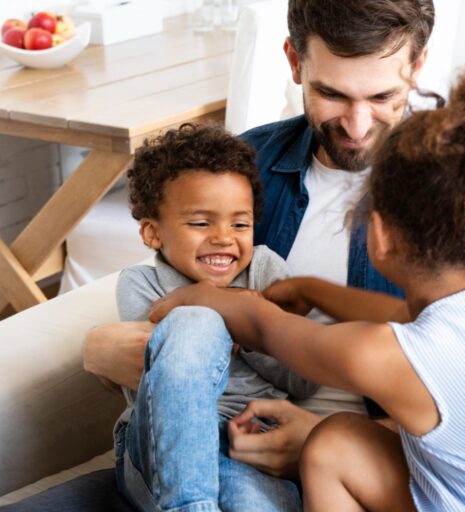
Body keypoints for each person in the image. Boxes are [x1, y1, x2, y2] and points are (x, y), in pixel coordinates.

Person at [149, 61, 465, 511]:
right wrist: (313, 290)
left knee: (330, 441)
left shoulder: (383, 358)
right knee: (340, 439)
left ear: (380, 235)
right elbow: (406, 319)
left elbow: (268, 328)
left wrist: (206, 297)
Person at [66, 0, 434, 510]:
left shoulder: (458, 199)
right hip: (186, 456)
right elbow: (164, 307)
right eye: (331, 94)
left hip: (356, 472)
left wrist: (328, 442)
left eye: (382, 96)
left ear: (417, 66)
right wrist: (100, 351)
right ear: (295, 62)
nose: (356, 125)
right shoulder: (242, 167)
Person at [114, 124, 320, 511]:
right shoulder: (140, 283)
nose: (224, 237)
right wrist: (240, 315)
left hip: (252, 439)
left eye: (240, 224)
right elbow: (158, 373)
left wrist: (251, 327)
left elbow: (304, 380)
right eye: (200, 223)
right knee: (194, 322)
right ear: (153, 233)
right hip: (161, 438)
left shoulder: (266, 270)